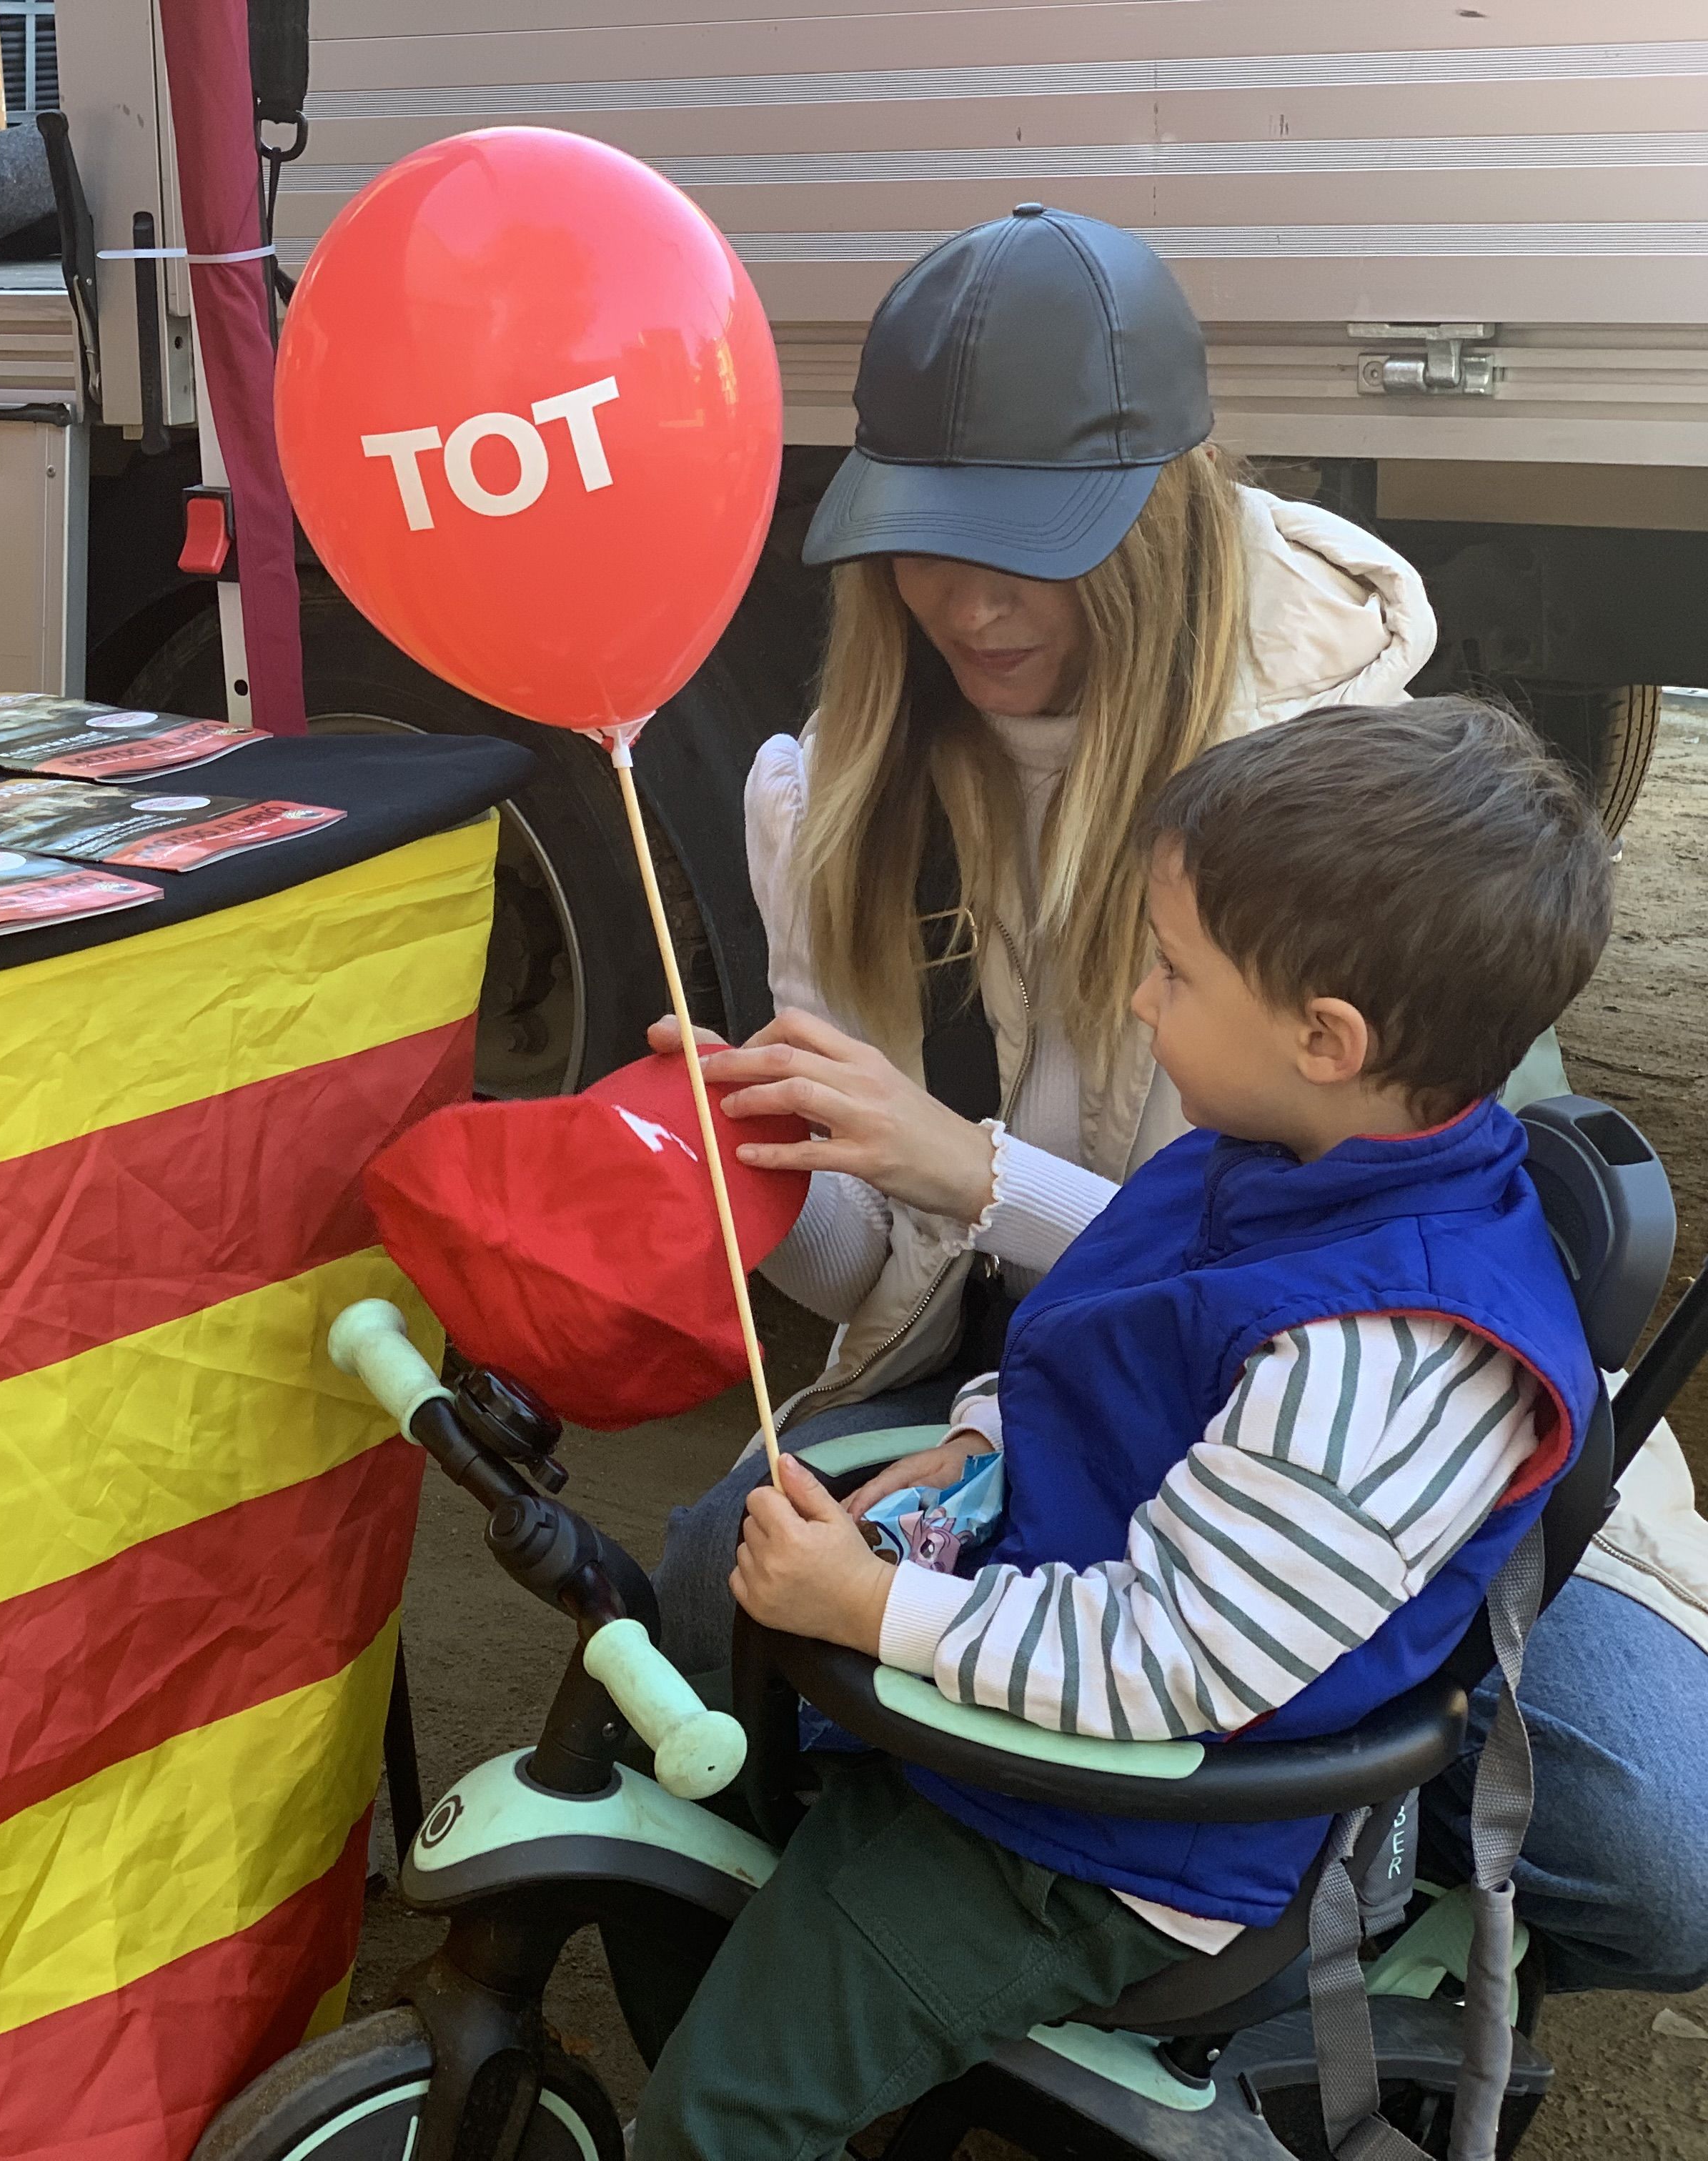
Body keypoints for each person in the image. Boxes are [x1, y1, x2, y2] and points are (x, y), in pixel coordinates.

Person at [653, 204, 1708, 1999]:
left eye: (1027, 548)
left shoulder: (1336, 790)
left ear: (1170, 509)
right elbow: (888, 1273)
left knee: (1658, 1855)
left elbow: (1408, 1235)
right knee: (708, 1595)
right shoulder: (819, 796)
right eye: (921, 543)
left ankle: (1251, 1862)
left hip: (1354, 1394)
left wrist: (978, 1171)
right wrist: (758, 1189)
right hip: (1025, 1387)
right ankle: (1081, 1832)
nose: (968, 603)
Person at [635, 699, 1609, 2160]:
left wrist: (875, 1603)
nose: (1142, 1005)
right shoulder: (1272, 1158)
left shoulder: (1381, 1352)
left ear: (1326, 1038)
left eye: (1172, 972)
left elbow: (1178, 1660)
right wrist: (977, 1450)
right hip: (1041, 1706)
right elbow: (1096, 1347)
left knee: (721, 2115)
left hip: (1103, 1840)